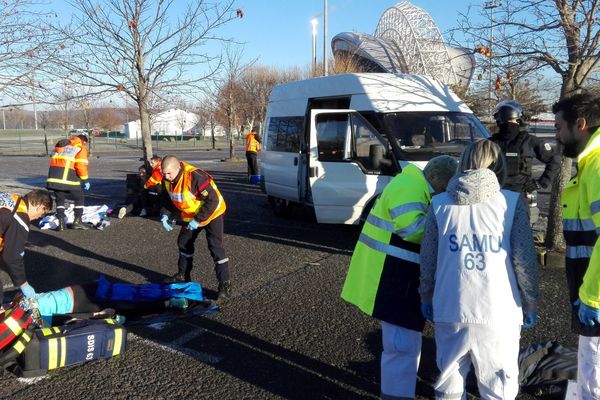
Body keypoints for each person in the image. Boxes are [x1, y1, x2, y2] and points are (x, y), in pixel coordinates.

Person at [419, 140, 539, 399]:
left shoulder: (438, 204)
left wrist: (426, 295)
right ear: (498, 165)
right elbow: (524, 260)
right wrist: (530, 301)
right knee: (499, 387)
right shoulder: (510, 203)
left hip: (451, 306)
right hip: (498, 310)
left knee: (449, 382)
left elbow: (428, 258)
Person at [340, 155, 458, 399]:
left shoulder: (412, 184)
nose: (444, 193)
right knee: (400, 347)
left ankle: (398, 392)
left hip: (394, 275)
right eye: (444, 188)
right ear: (434, 178)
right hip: (389, 278)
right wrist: (453, 223)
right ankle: (395, 394)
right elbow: (413, 230)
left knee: (403, 345)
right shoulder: (410, 187)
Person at [552, 93, 600, 399]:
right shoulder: (590, 165)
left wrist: (593, 298)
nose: (556, 135)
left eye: (558, 127)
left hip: (596, 295)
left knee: (594, 376)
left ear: (579, 124)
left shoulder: (596, 167)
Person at [159, 155, 232, 302]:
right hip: (191, 215)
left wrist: (198, 220)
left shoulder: (195, 177)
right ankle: (183, 275)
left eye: (169, 173)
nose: (166, 176)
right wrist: (165, 215)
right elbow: (167, 200)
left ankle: (225, 286)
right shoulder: (166, 180)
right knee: (183, 243)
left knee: (215, 247)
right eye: (164, 173)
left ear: (177, 168)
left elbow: (213, 200)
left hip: (212, 213)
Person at [490, 100, 561, 199]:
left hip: (519, 193)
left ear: (519, 121)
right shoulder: (490, 143)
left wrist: (541, 182)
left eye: (510, 121)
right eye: (504, 122)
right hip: (493, 194)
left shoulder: (530, 141)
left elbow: (555, 160)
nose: (507, 125)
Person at [0, 189, 52, 308]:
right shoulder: (20, 217)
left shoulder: (11, 198)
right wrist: (23, 284)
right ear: (40, 206)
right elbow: (12, 257)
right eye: (42, 214)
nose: (38, 218)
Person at [46, 134, 91, 230]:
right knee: (79, 197)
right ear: (84, 142)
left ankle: (61, 223)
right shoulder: (79, 147)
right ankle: (77, 221)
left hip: (54, 178)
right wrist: (85, 179)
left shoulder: (63, 146)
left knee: (60, 199)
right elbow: (80, 165)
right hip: (68, 178)